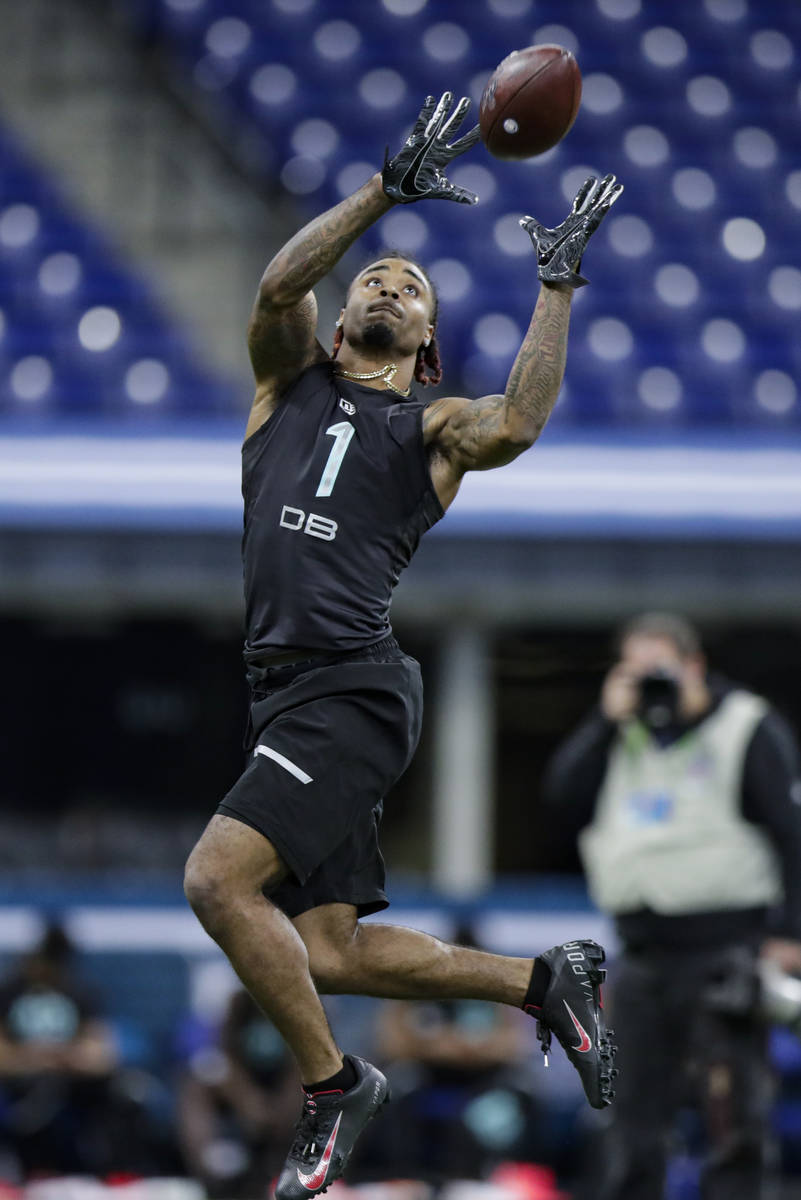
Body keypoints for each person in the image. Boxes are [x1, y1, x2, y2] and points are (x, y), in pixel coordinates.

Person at [183, 91, 622, 1200]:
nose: (388, 282)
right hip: (288, 698)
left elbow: (515, 424)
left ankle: (335, 1089)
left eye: (412, 288)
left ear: (425, 348)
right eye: (378, 277)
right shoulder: (284, 384)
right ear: (341, 325)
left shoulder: (428, 430)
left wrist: (556, 285)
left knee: (215, 880)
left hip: (354, 690)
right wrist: (381, 190)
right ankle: (542, 980)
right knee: (328, 949)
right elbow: (281, 282)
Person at [543, 611, 801, 1200]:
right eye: (638, 672)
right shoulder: (621, 731)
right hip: (640, 953)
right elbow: (561, 797)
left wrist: (790, 933)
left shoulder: (745, 725)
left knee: (732, 1114)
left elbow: (792, 833)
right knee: (631, 1115)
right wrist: (603, 720)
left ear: (695, 666)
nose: (652, 684)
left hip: (725, 950)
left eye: (662, 670)